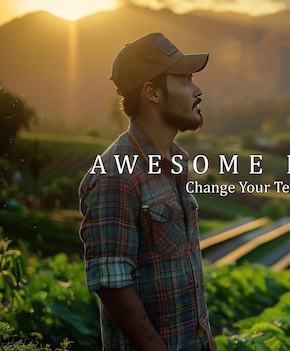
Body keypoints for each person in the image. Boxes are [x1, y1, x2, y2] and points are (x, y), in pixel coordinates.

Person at [79, 32, 216, 351]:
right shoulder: (116, 175)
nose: (197, 91)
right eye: (185, 81)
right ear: (153, 93)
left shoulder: (175, 162)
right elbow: (111, 284)